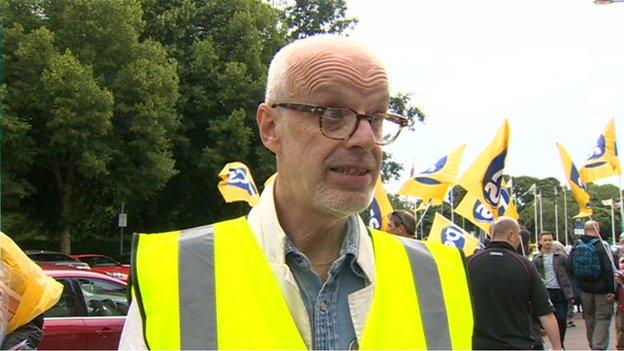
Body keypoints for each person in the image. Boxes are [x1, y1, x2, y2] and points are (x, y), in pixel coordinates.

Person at [119, 34, 473, 350]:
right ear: (271, 127)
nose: (366, 138)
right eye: (333, 114)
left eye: (377, 117)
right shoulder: (179, 276)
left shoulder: (438, 279)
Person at [468, 216, 562, 350]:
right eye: (518, 235)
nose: (519, 239)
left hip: (479, 344)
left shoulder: (470, 263)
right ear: (510, 235)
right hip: (517, 343)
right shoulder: (524, 265)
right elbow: (545, 312)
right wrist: (557, 347)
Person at [570, 220, 617, 350]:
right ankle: (599, 346)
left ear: (584, 230)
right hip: (602, 289)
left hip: (584, 289)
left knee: (589, 317)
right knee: (602, 317)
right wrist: (612, 290)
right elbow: (609, 269)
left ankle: (592, 343)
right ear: (597, 229)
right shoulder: (602, 245)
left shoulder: (577, 245)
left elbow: (570, 267)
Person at [532, 231, 574, 348]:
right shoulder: (536, 259)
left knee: (561, 318)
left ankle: (560, 344)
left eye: (550, 240)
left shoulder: (560, 257)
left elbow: (569, 271)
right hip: (545, 292)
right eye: (545, 240)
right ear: (540, 242)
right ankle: (549, 343)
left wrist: (568, 287)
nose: (547, 243)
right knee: (547, 320)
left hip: (560, 291)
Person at [614, 270, 624, 349]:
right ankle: (620, 345)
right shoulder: (619, 287)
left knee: (620, 328)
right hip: (621, 308)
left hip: (621, 308)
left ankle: (620, 345)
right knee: (620, 328)